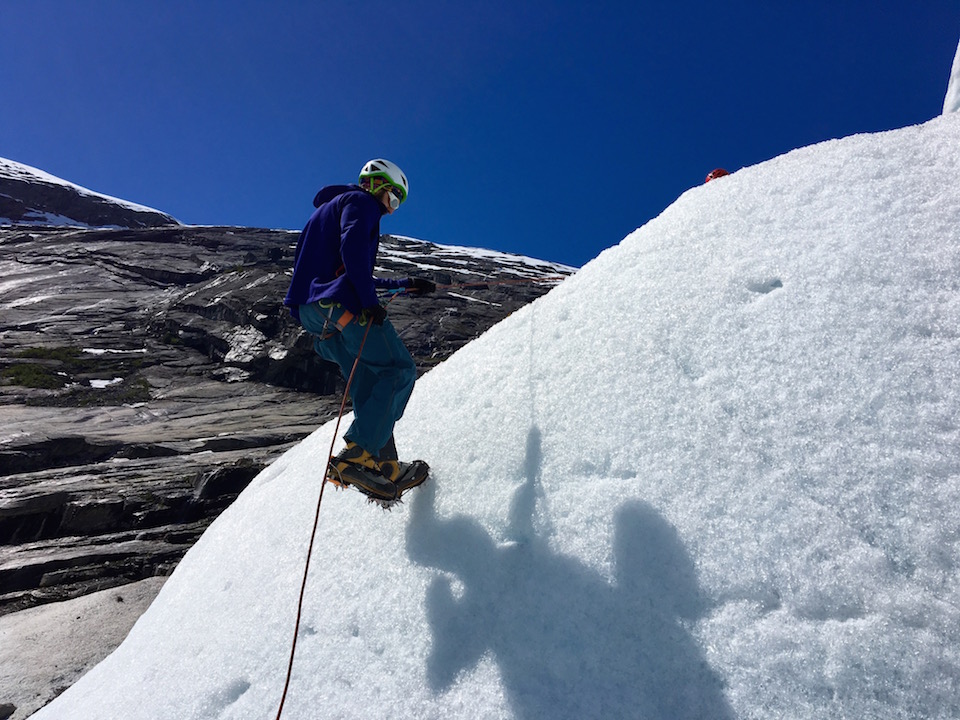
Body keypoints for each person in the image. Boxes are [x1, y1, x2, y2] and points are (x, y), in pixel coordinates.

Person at [283, 159, 434, 501]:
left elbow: (345, 270)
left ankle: (384, 467)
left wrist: (404, 284)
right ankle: (358, 454)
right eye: (393, 200)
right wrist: (368, 301)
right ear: (376, 185)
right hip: (339, 305)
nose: (391, 211)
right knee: (398, 369)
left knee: (367, 382)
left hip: (315, 315)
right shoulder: (361, 202)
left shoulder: (328, 212)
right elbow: (353, 254)